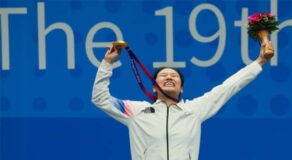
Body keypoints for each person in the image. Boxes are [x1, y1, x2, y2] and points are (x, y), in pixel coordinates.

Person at [91, 42, 274, 160]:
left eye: (174, 76)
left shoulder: (194, 110)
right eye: (163, 75)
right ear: (154, 87)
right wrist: (107, 63)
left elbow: (229, 87)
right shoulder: (137, 111)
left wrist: (259, 62)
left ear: (182, 88)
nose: (169, 77)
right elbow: (100, 98)